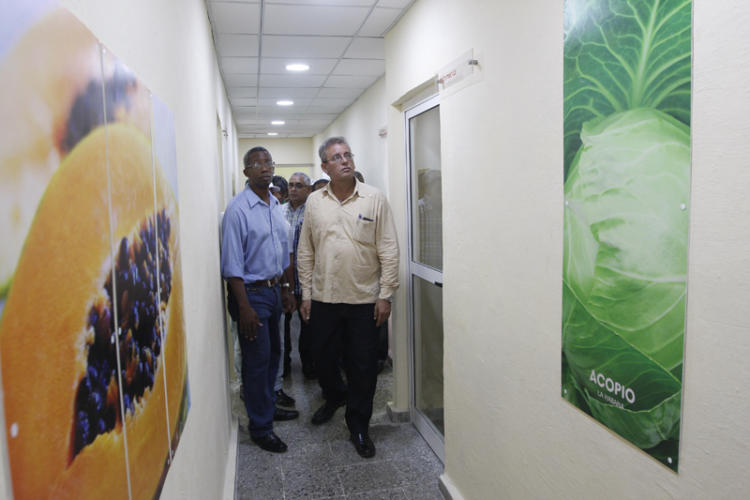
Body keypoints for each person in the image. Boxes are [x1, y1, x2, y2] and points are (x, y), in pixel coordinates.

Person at [298, 137, 399, 458]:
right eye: (336, 157)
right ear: (325, 167)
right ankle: (335, 396)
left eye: (348, 155)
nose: (345, 161)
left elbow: (389, 248)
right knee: (322, 358)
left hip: (363, 300)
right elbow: (306, 250)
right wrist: (306, 293)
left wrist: (386, 295)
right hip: (324, 298)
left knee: (363, 365)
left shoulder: (374, 198)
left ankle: (358, 424)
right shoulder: (315, 201)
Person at [221, 146, 299, 453]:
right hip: (251, 294)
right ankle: (261, 426)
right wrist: (244, 308)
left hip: (274, 290)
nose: (265, 168)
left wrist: (287, 289)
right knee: (256, 362)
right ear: (246, 172)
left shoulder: (273, 205)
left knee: (274, 358)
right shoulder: (238, 210)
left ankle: (268, 406)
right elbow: (231, 266)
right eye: (258, 163)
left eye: (269, 162)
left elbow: (282, 251)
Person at [281, 172, 316, 379]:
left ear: (308, 190)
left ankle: (310, 366)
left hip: (306, 281)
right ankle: (283, 367)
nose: (293, 189)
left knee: (308, 328)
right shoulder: (278, 211)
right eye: (291, 185)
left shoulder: (313, 212)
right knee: (283, 328)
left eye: (298, 185)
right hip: (284, 281)